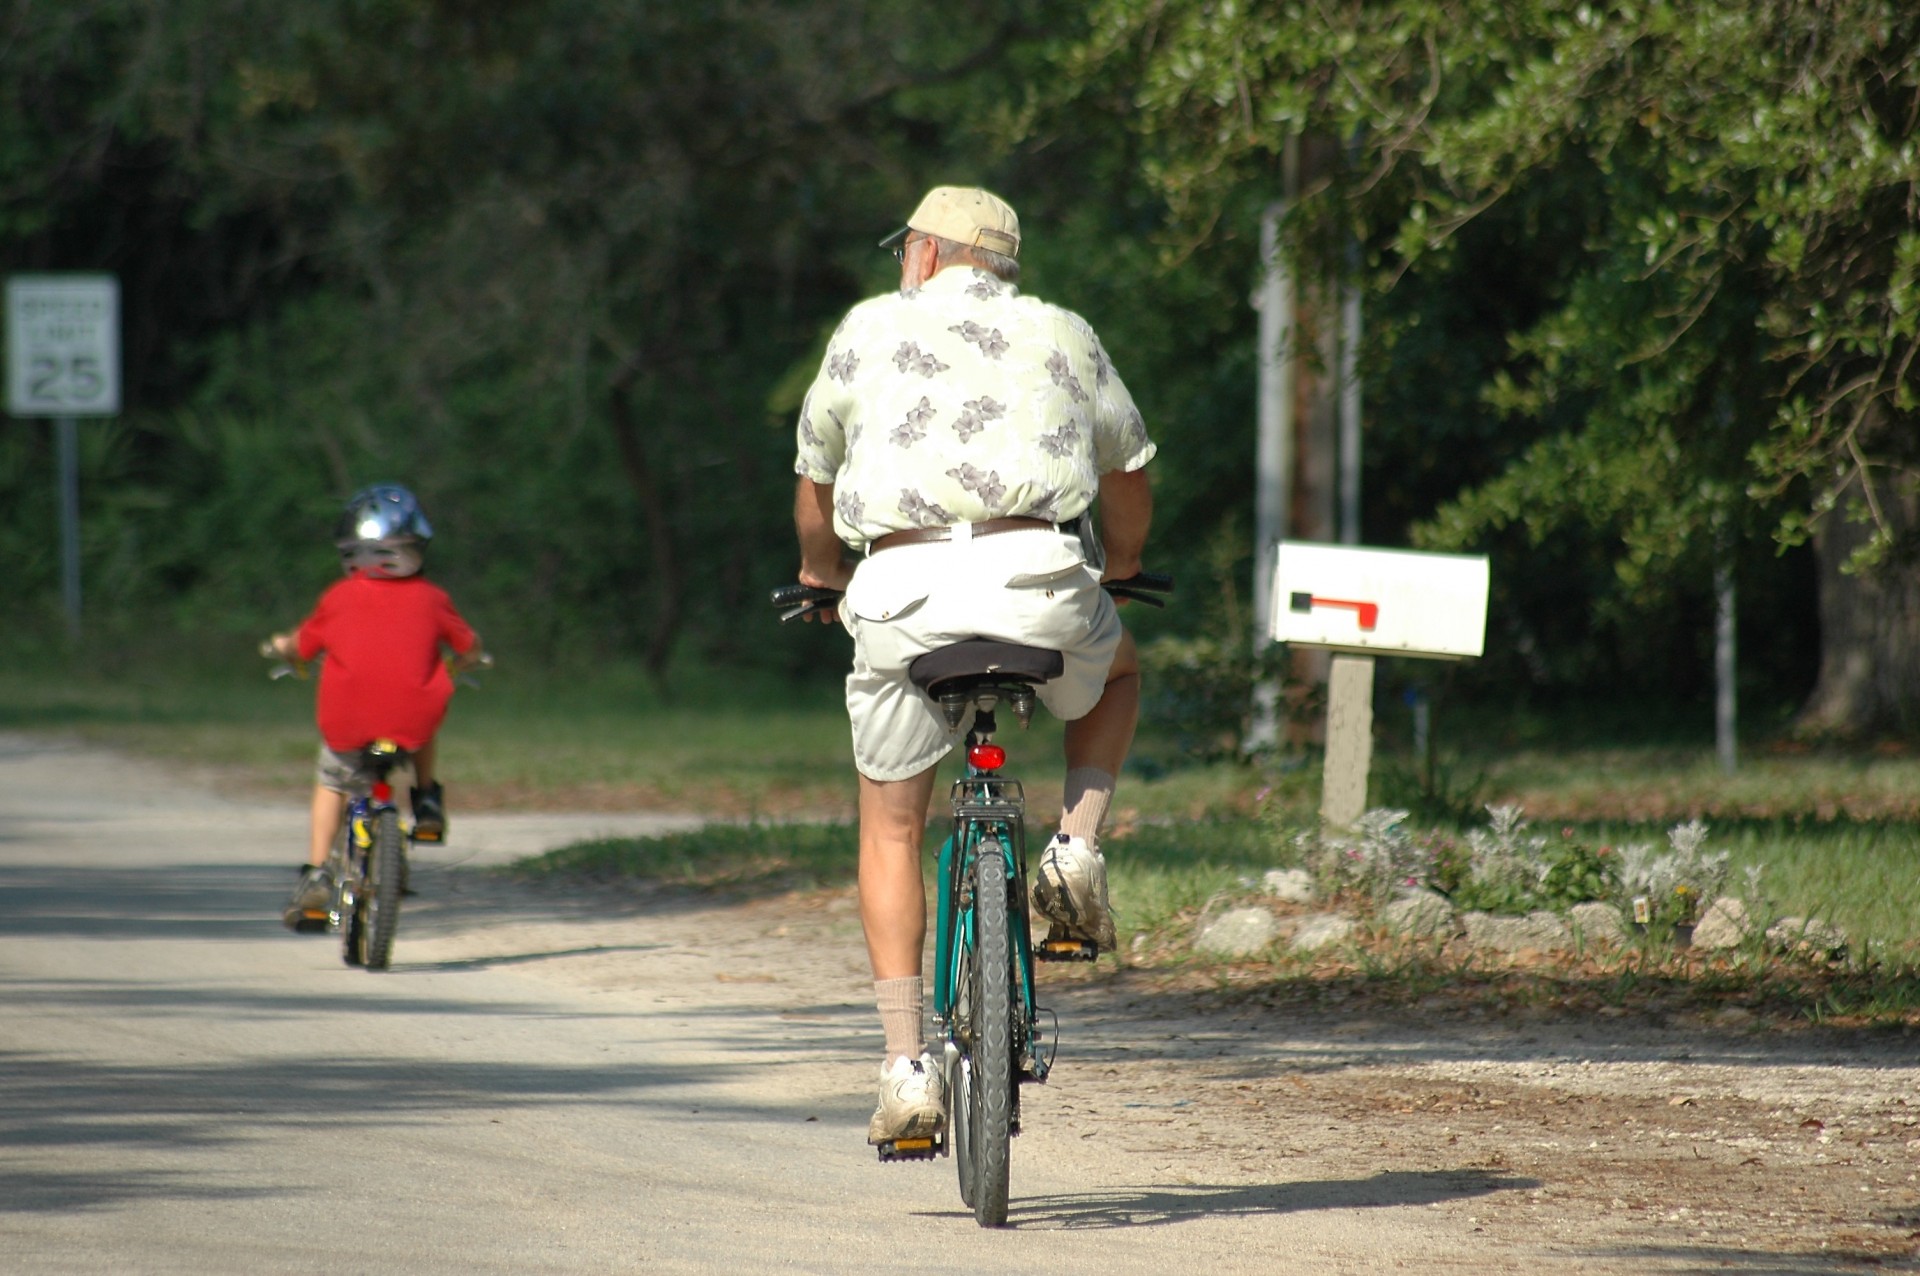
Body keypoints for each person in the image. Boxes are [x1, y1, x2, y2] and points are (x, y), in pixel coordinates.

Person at [790, 185, 1155, 1147]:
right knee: (1117, 671)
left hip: (903, 589)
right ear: (1003, 263)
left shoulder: (868, 330)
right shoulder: (1066, 332)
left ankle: (907, 1067)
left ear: (924, 253)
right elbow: (1128, 474)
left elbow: (815, 487)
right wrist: (1120, 569)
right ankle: (1074, 845)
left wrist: (820, 578)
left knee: (892, 823)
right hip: (1037, 573)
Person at [268, 483, 486, 930]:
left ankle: (315, 874)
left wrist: (281, 647)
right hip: (410, 726)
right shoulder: (433, 598)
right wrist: (463, 661)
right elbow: (469, 645)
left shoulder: (337, 599)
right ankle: (426, 799)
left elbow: (302, 646)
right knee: (423, 717)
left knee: (331, 780)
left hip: (348, 729)